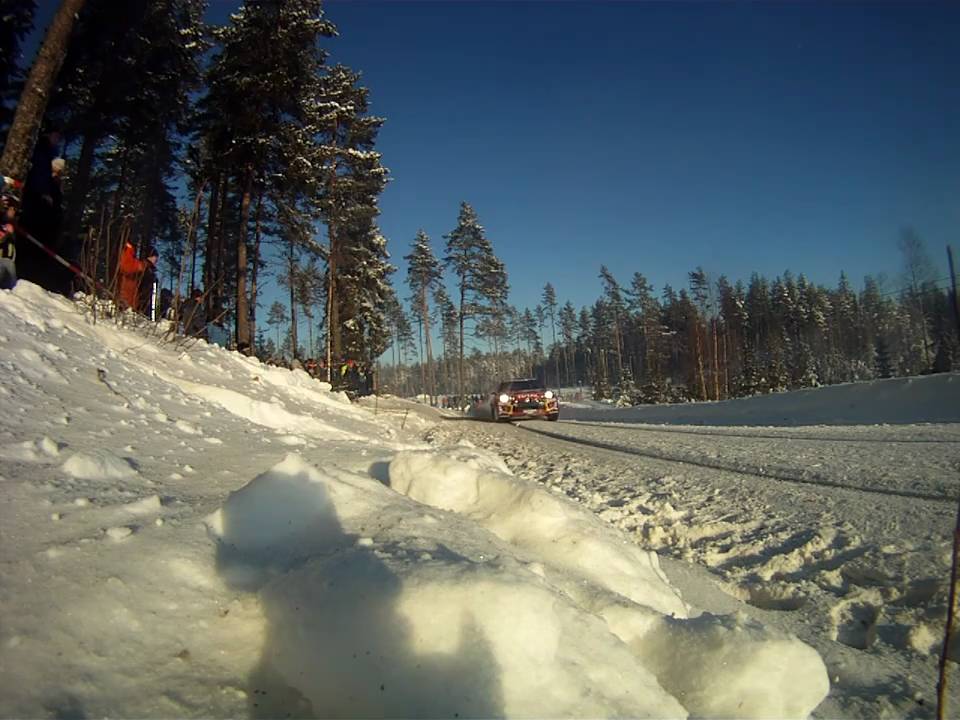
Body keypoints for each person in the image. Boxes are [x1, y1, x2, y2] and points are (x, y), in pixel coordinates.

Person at [17, 130, 61, 290]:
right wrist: (44, 192)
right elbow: (40, 173)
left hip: (40, 201)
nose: (58, 140)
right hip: (36, 200)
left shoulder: (50, 153)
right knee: (32, 237)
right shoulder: (43, 151)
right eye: (56, 136)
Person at [0, 192, 18, 289]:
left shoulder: (9, 223)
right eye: (11, 209)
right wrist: (7, 233)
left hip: (7, 261)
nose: (13, 212)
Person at [136, 246, 159, 318]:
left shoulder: (150, 269)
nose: (156, 259)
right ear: (150, 257)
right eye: (155, 257)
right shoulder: (145, 268)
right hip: (143, 300)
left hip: (147, 300)